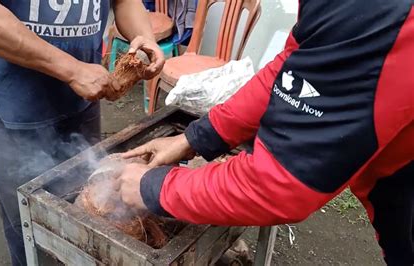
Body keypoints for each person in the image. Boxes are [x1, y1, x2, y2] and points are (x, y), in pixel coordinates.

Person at [117, 0, 414, 265]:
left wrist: (152, 188)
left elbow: (283, 181)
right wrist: (196, 137)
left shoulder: (373, 10)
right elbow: (290, 70)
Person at [0, 0, 164, 265]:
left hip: (83, 99)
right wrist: (72, 70)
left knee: (90, 206)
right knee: (28, 223)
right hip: (15, 103)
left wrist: (143, 35)